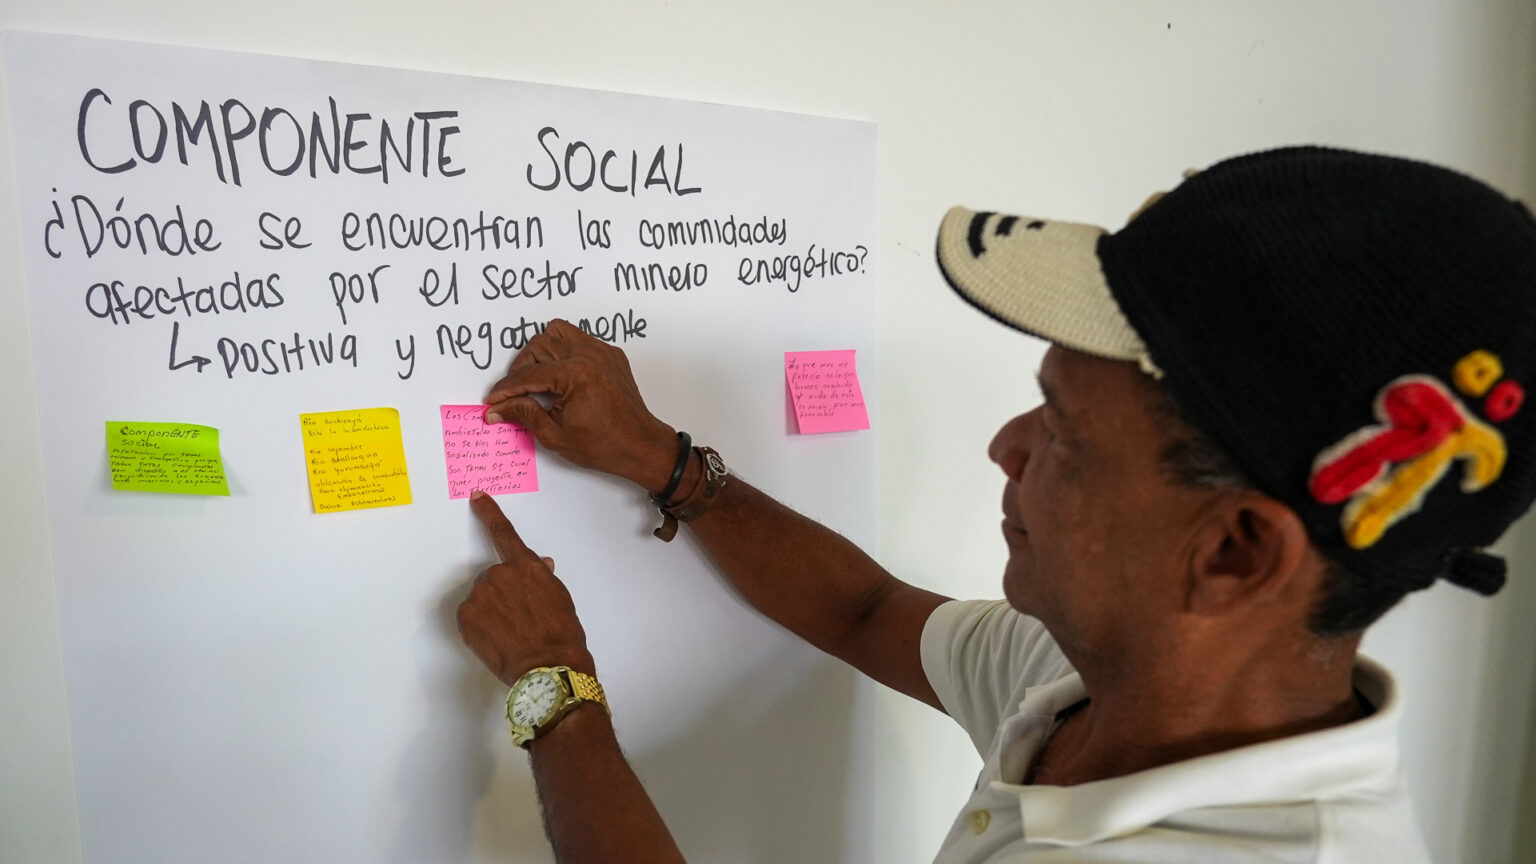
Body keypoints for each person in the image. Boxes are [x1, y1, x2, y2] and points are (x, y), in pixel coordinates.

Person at [454, 145, 1536, 862]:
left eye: (1063, 430)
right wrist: (663, 460)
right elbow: (867, 611)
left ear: (1235, 554)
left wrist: (556, 692)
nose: (1005, 445)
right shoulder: (1100, 679)